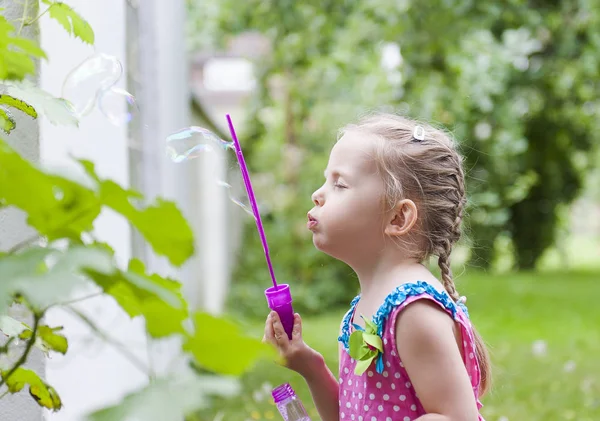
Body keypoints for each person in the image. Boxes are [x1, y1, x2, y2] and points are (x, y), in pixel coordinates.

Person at [263, 113, 490, 421]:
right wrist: (311, 366)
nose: (318, 194)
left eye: (340, 184)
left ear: (398, 218)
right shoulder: (371, 304)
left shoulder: (413, 311)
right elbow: (350, 414)